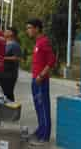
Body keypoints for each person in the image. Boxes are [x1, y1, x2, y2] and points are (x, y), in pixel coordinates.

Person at [26, 18, 56, 146]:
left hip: (41, 80)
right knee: (38, 107)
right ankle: (40, 130)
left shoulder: (44, 42)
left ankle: (45, 136)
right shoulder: (38, 42)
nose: (28, 31)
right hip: (35, 79)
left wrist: (41, 75)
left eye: (29, 27)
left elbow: (51, 61)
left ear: (37, 28)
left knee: (43, 107)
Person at [0, 27, 22, 101]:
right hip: (3, 73)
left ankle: (12, 109)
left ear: (11, 33)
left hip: (10, 74)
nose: (4, 32)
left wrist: (4, 58)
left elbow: (18, 58)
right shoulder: (6, 43)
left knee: (8, 93)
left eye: (7, 31)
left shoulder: (15, 45)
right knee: (5, 93)